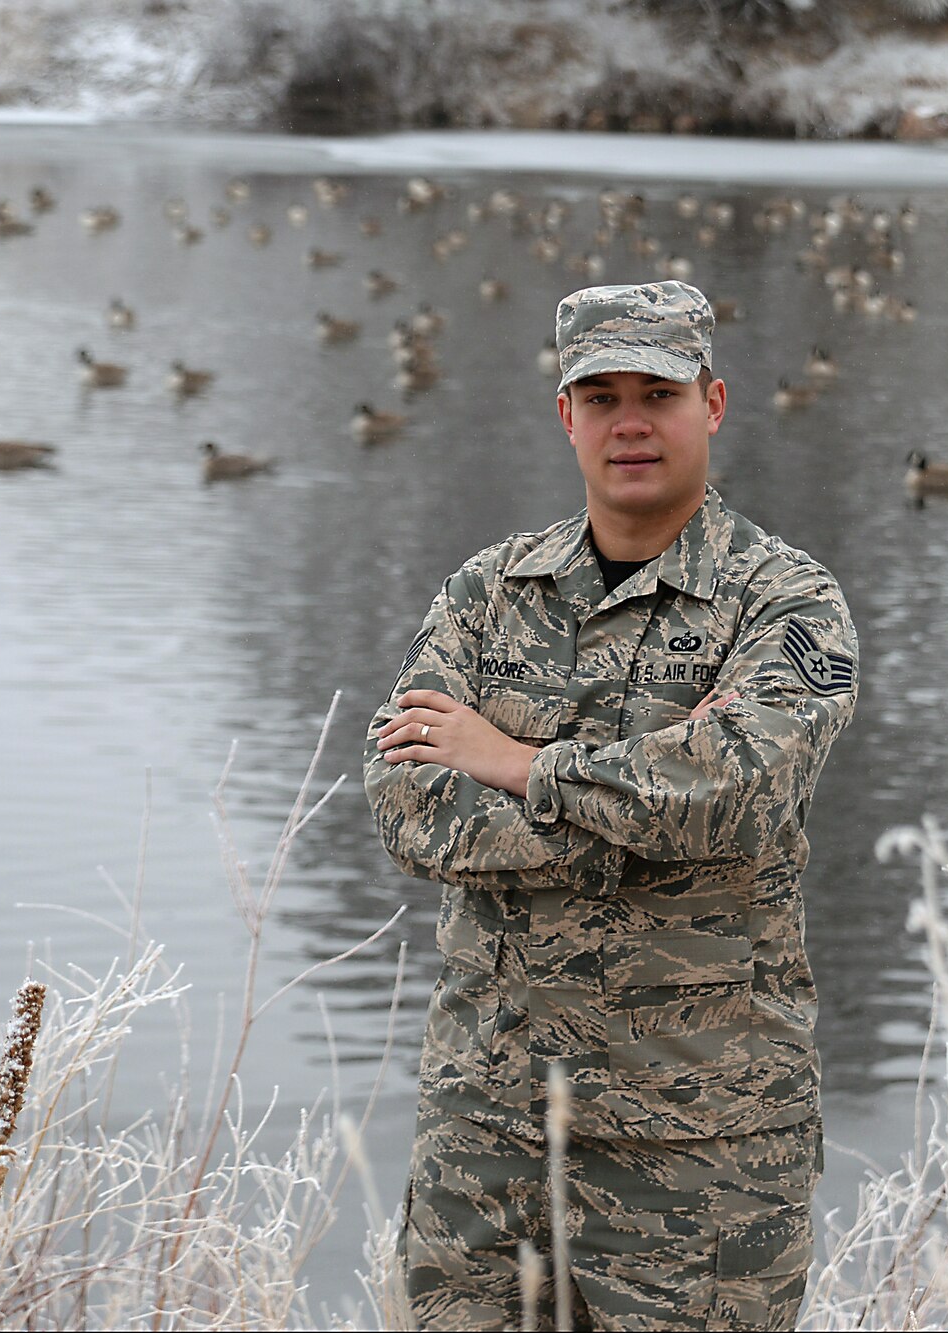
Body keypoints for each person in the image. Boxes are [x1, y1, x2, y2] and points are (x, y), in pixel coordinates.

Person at [364, 281, 859, 1330]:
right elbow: (408, 805)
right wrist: (639, 812)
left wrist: (512, 762)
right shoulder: (486, 592)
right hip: (487, 1135)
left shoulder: (786, 600)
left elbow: (735, 793)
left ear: (711, 404)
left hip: (695, 1158)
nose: (628, 421)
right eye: (599, 395)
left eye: (657, 393)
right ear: (565, 415)